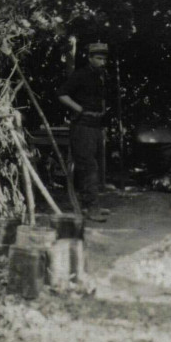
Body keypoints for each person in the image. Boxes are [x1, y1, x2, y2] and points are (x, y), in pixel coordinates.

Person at [57, 42, 110, 222]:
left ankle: (90, 204)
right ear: (89, 58)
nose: (102, 62)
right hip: (82, 126)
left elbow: (101, 100)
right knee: (88, 167)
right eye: (98, 58)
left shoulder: (101, 76)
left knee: (95, 166)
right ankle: (91, 208)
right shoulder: (81, 75)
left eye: (104, 58)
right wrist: (78, 109)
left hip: (96, 126)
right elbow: (62, 94)